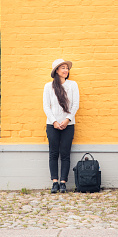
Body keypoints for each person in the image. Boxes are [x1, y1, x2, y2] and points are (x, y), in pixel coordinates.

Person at [43, 58, 79, 194]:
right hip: (52, 125)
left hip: (68, 125)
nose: (66, 70)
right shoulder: (48, 87)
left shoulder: (73, 85)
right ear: (56, 71)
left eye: (67, 68)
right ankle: (54, 182)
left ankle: (63, 182)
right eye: (63, 68)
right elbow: (46, 106)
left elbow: (75, 104)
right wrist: (54, 122)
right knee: (53, 153)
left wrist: (67, 120)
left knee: (65, 153)